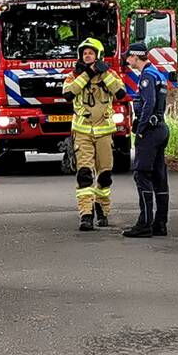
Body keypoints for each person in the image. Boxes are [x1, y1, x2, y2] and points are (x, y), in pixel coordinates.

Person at [62, 38, 127, 231]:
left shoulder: (110, 74)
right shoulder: (74, 75)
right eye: (84, 53)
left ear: (97, 55)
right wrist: (87, 73)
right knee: (84, 174)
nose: (87, 55)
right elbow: (68, 94)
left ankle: (102, 209)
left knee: (105, 175)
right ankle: (86, 214)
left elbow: (121, 93)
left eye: (91, 53)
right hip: (82, 132)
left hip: (104, 132)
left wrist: (103, 72)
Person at [122, 42, 170, 238]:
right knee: (159, 176)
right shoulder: (158, 74)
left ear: (135, 56)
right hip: (161, 128)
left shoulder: (147, 77)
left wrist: (140, 129)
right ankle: (160, 223)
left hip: (150, 131)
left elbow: (148, 103)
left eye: (128, 57)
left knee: (142, 175)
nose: (127, 60)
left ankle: (145, 224)